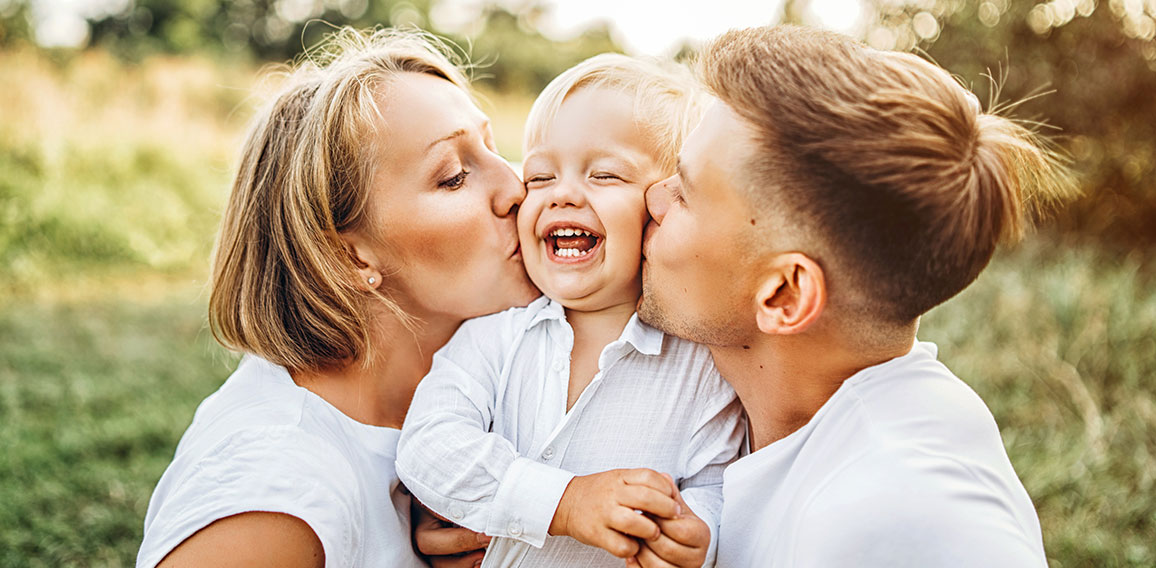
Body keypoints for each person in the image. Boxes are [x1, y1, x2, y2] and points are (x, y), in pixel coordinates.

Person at [638, 25, 1074, 566]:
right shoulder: (770, 418)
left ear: (784, 296)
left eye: (685, 192)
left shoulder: (909, 517)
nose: (653, 198)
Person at [136, 28, 539, 568]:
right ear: (349, 258)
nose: (517, 187)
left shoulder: (483, 390)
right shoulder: (274, 498)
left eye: (493, 147)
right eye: (454, 176)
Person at [396, 54, 745, 568]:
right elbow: (429, 447)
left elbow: (717, 484)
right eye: (539, 177)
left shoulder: (702, 368)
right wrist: (565, 502)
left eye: (604, 174)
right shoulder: (492, 338)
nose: (562, 194)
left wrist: (700, 532)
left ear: (665, 204)